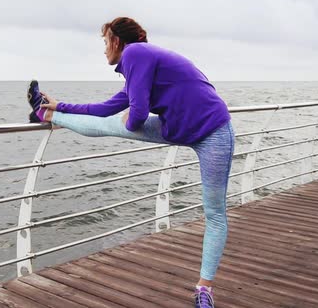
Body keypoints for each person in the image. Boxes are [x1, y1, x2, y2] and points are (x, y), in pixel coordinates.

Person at [27, 17, 234, 308]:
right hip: (176, 126)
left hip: (213, 131)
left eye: (104, 42)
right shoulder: (138, 68)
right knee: (110, 123)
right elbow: (104, 110)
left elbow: (136, 116)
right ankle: (46, 114)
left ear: (116, 41)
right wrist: (60, 105)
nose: (103, 50)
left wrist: (133, 116)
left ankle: (204, 289)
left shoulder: (136, 53)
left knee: (214, 211)